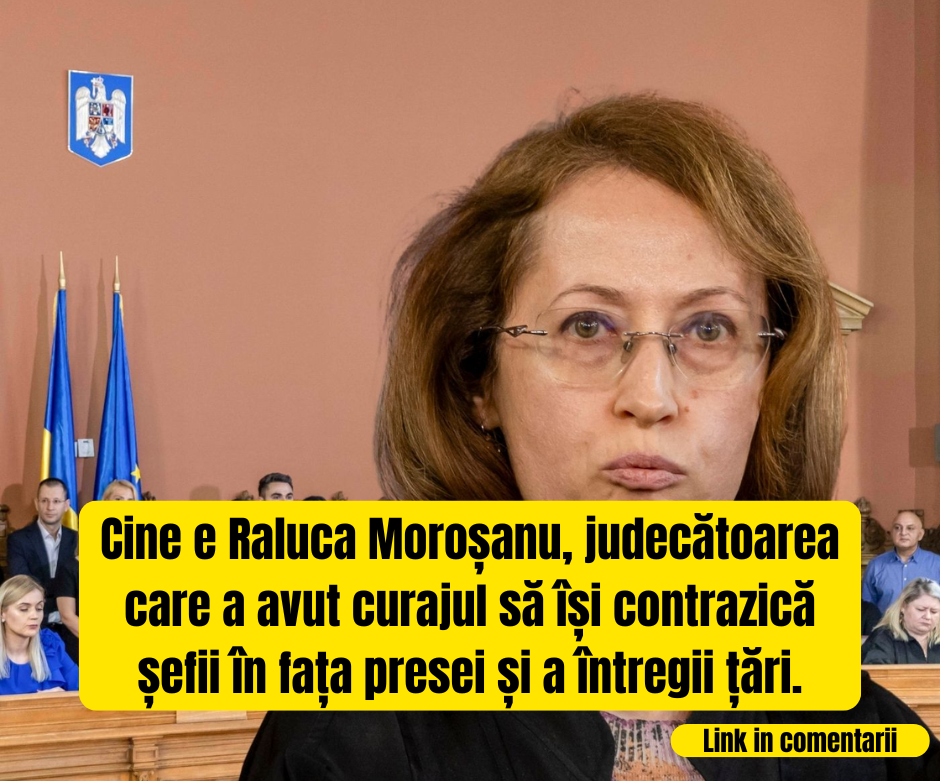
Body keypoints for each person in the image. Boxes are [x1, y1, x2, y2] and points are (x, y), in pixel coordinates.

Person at [241, 94, 938, 781]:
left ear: (770, 383)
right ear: (480, 381)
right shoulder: (340, 745)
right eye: (586, 326)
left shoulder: (873, 746)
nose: (651, 397)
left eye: (708, 329)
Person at [7, 479, 78, 642]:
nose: (50, 507)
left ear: (66, 505)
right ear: (36, 503)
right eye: (44, 500)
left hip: (73, 628)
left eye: (56, 501)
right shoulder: (18, 540)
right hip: (35, 627)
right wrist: (65, 590)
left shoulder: (77, 540)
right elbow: (22, 583)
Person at [0, 575, 79, 694]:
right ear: (2, 614)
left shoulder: (50, 644)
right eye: (24, 609)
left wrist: (64, 697)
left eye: (39, 608)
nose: (34, 616)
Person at [862, 510, 940, 614]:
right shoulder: (876, 565)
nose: (903, 533)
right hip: (884, 624)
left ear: (920, 534)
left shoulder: (936, 564)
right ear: (891, 533)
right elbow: (866, 609)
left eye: (910, 528)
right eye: (897, 528)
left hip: (926, 624)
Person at [862, 578, 940, 664]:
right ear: (903, 606)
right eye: (920, 609)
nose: (928, 616)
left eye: (934, 611)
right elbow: (877, 671)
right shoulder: (883, 638)